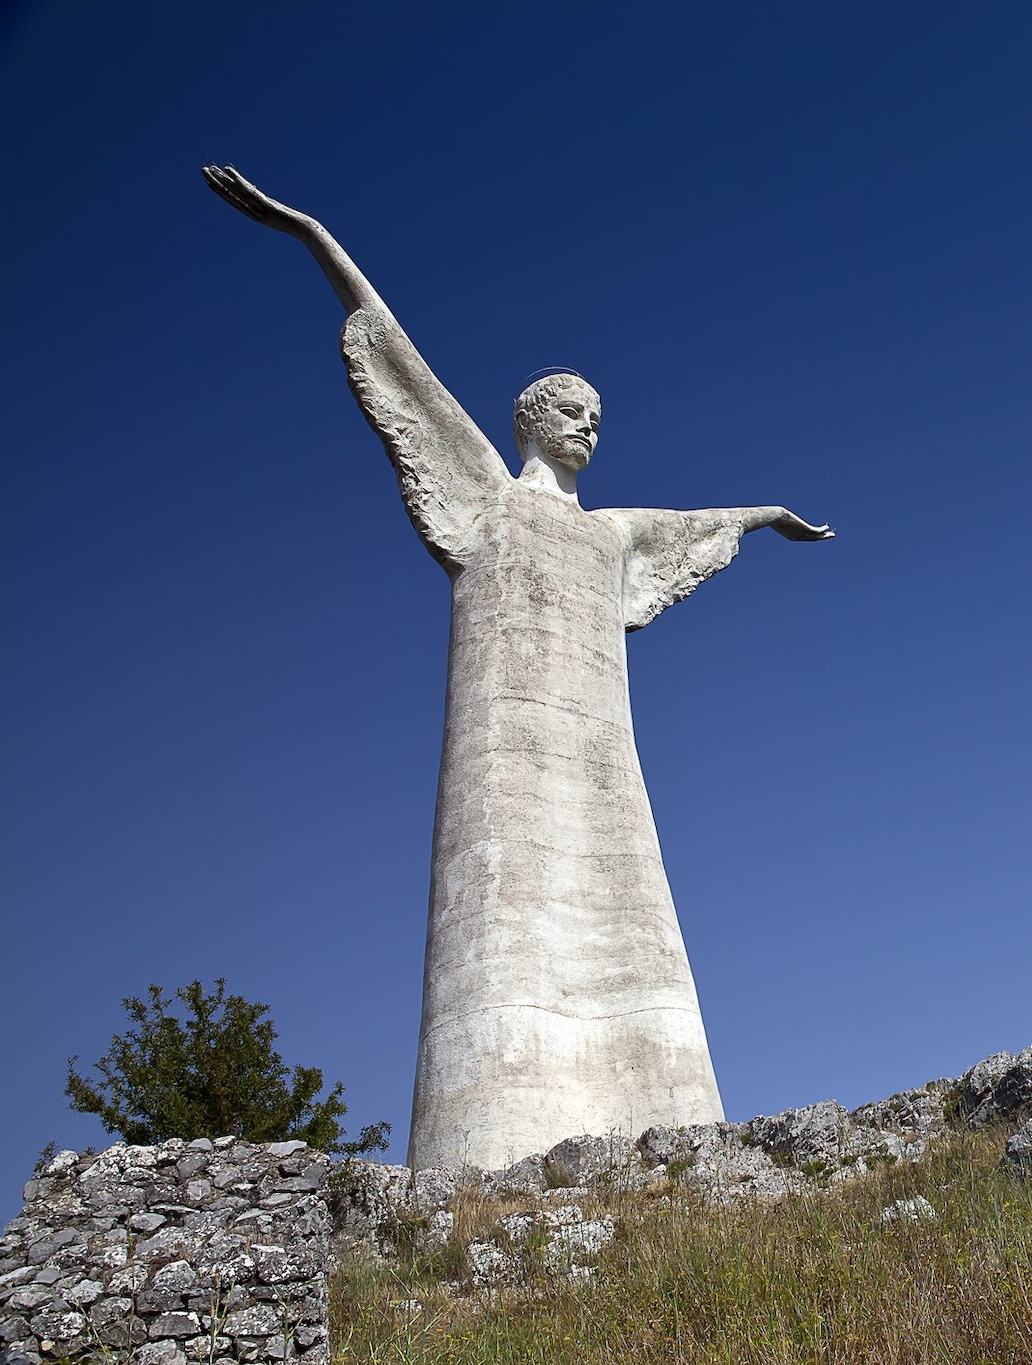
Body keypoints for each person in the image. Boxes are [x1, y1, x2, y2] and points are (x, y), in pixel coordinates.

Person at [205, 165, 832, 1169]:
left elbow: (698, 522)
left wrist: (767, 518)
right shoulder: (488, 501)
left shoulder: (611, 535)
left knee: (633, 907)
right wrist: (311, 233)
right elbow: (401, 360)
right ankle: (488, 1148)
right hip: (502, 751)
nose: (589, 426)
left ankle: (674, 1145)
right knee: (503, 921)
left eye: (597, 418)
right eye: (572, 411)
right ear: (531, 420)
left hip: (602, 755)